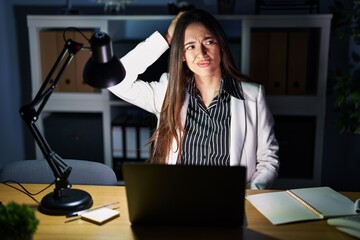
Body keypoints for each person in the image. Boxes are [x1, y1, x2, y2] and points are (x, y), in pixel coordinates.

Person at [108, 9, 279, 189]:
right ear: (182, 55)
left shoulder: (253, 96)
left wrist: (248, 195)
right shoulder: (167, 92)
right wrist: (166, 38)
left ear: (220, 45)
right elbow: (116, 81)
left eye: (209, 42)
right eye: (190, 46)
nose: (201, 53)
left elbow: (268, 159)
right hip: (177, 199)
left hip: (229, 201)